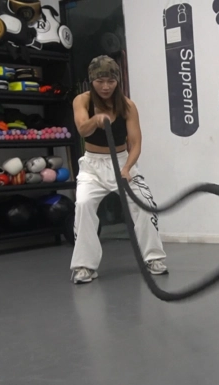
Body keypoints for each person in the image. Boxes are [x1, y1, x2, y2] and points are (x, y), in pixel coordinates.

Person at [69, 55, 168, 284]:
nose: (105, 86)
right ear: (92, 80)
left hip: (123, 162)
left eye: (111, 81)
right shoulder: (82, 101)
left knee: (145, 205)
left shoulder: (128, 105)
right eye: (100, 81)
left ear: (117, 81)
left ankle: (153, 258)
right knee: (83, 205)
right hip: (92, 167)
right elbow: (82, 129)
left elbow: (136, 143)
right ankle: (84, 266)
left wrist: (127, 168)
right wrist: (96, 120)